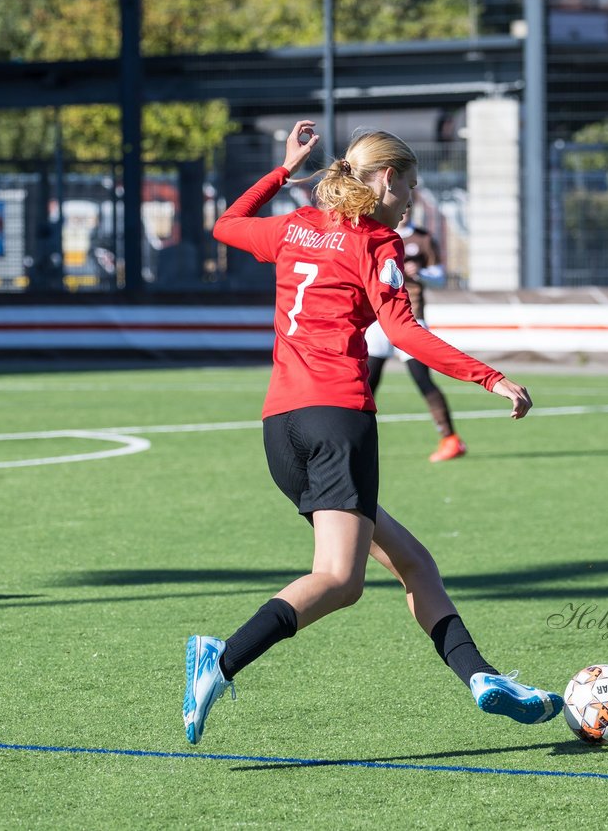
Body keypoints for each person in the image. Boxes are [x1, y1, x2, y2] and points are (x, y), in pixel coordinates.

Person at [183, 120, 562, 746]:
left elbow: (224, 225)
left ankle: (483, 678)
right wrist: (489, 379)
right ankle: (220, 659)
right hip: (338, 421)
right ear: (386, 179)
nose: (413, 200)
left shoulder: (294, 226)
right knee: (340, 579)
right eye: (411, 186)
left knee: (415, 564)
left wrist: (282, 170)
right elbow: (405, 332)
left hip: (281, 429)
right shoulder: (377, 242)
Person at [364, 211, 466, 462]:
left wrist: (420, 272)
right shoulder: (374, 234)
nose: (405, 208)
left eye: (410, 204)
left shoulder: (422, 239)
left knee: (422, 379)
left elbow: (441, 277)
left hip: (410, 318)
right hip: (378, 320)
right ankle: (359, 441)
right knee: (368, 382)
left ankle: (451, 440)